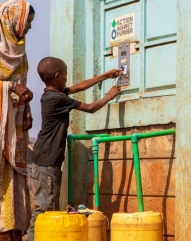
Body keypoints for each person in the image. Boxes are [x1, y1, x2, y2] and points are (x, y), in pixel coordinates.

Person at [26, 57, 122, 240]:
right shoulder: (57, 99)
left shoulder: (52, 95)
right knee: (43, 211)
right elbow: (91, 108)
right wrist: (110, 95)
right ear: (57, 76)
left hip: (46, 161)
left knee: (48, 209)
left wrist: (104, 76)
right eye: (65, 76)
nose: (67, 80)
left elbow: (79, 87)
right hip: (47, 163)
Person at [0, 0, 35, 241]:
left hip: (16, 128)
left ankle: (12, 231)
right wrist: (10, 85)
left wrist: (28, 107)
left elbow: (22, 83)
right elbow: (14, 85)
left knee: (14, 179)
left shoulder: (20, 51)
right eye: (28, 22)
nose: (30, 28)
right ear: (14, 20)